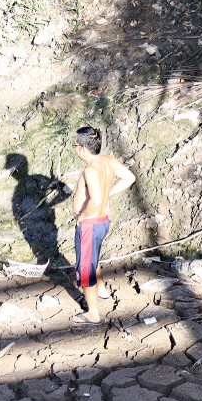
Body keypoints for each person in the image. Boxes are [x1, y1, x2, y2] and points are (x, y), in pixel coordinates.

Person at [69, 126, 136, 325]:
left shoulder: (90, 169)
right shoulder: (108, 160)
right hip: (102, 222)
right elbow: (129, 178)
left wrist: (81, 215)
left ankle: (92, 314)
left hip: (90, 224)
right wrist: (109, 195)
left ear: (82, 148)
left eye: (75, 144)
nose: (75, 148)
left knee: (85, 269)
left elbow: (96, 201)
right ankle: (103, 291)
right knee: (93, 257)